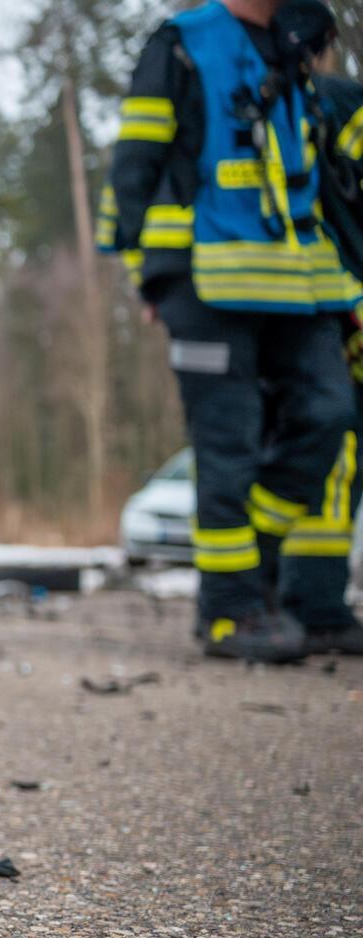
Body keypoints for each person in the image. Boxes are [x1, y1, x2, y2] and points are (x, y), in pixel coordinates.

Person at [100, 0, 360, 661]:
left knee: (328, 415)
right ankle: (228, 614)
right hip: (207, 284)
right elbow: (136, 162)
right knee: (227, 449)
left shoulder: (292, 46)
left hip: (301, 285)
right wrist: (150, 275)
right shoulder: (182, 44)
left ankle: (253, 570)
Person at [271, 5, 363, 654]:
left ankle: (294, 596)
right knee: (338, 448)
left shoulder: (266, 107)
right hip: (338, 305)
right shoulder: (337, 103)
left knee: (313, 447)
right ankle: (317, 604)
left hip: (287, 307)